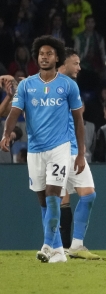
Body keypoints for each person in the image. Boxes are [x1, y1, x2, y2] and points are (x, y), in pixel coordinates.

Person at [0, 35, 86, 263]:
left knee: (52, 195)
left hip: (60, 148)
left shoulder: (68, 85)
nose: (45, 57)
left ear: (57, 57)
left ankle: (47, 245)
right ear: (36, 57)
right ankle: (58, 250)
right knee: (42, 200)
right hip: (35, 150)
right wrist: (6, 133)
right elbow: (14, 113)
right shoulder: (27, 84)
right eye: (41, 54)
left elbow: (79, 121)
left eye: (49, 53)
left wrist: (81, 153)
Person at [57, 47, 100, 260]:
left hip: (61, 150)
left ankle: (65, 246)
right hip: (68, 151)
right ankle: (71, 245)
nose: (79, 67)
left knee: (60, 199)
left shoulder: (52, 85)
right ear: (63, 64)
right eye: (76, 63)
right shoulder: (66, 85)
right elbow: (78, 118)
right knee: (86, 194)